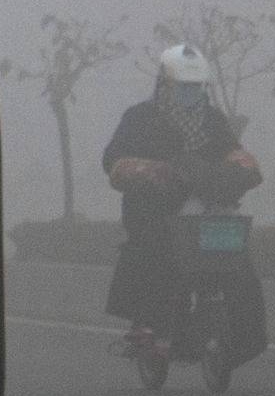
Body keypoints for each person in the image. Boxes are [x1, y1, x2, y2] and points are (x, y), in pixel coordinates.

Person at [102, 44, 262, 352]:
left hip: (206, 213)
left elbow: (233, 151)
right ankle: (149, 325)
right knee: (157, 252)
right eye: (184, 87)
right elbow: (113, 160)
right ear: (165, 83)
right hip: (153, 213)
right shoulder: (140, 118)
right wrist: (148, 172)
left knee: (238, 264)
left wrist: (239, 170)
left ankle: (243, 338)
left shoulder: (212, 120)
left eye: (196, 87)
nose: (191, 93)